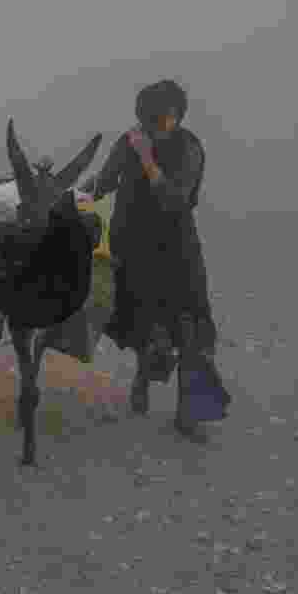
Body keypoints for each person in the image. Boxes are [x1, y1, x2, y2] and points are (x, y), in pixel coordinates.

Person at [81, 79, 230, 438]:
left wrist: (147, 158)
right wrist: (68, 193)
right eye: (152, 119)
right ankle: (142, 380)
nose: (159, 126)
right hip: (132, 248)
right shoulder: (128, 141)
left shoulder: (190, 147)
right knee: (147, 328)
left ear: (178, 116)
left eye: (167, 118)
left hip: (177, 249)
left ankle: (188, 414)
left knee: (191, 328)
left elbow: (175, 199)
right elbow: (102, 183)